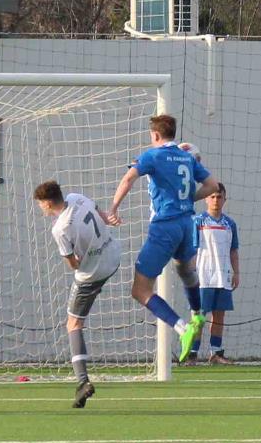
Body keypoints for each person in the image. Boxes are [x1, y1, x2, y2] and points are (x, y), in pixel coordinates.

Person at [101, 115, 219, 362]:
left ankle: (183, 329)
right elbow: (212, 185)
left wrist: (113, 208)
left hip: (164, 227)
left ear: (155, 135)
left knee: (140, 289)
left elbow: (129, 178)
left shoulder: (152, 156)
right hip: (187, 224)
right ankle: (197, 313)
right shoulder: (186, 156)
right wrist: (187, 200)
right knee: (186, 271)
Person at [34, 181, 121, 409]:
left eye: (40, 204)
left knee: (73, 323)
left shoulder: (59, 229)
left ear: (48, 203)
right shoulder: (77, 197)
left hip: (92, 273)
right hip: (113, 256)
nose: (41, 208)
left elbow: (72, 264)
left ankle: (82, 381)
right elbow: (102, 216)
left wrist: (77, 260)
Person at [189, 182, 239, 364]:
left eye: (219, 197)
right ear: (205, 200)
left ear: (225, 199)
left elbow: (234, 251)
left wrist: (236, 272)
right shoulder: (198, 221)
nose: (216, 200)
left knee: (219, 315)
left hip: (223, 275)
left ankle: (215, 353)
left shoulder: (230, 224)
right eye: (212, 197)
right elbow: (191, 249)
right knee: (199, 315)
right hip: (203, 276)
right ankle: (192, 353)